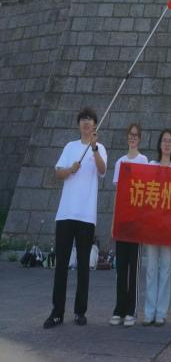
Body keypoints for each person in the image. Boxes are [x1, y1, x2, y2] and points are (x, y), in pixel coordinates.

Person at [43, 107, 107, 329]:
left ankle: (80, 311)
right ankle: (57, 313)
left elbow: (102, 170)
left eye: (90, 120)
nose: (86, 123)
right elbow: (58, 172)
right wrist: (71, 169)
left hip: (86, 216)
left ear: (95, 125)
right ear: (79, 124)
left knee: (83, 265)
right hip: (66, 214)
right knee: (61, 264)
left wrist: (95, 148)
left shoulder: (99, 148)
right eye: (83, 120)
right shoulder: (70, 147)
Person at [109, 123, 148, 327]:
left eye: (136, 135)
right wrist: (113, 222)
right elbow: (118, 195)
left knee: (134, 269)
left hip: (136, 224)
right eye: (130, 135)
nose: (133, 138)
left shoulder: (144, 161)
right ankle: (119, 309)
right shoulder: (120, 162)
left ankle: (131, 310)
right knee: (121, 268)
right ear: (127, 137)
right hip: (122, 222)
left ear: (139, 139)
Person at [143, 129, 171, 326]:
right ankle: (149, 311)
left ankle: (161, 312)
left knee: (165, 269)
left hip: (167, 227)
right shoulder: (151, 166)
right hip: (152, 225)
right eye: (164, 140)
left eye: (170, 141)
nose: (167, 144)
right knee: (151, 268)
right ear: (159, 144)